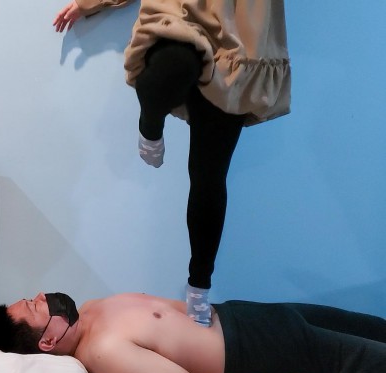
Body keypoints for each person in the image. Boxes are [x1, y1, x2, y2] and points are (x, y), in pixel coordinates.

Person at [53, 0, 291, 326]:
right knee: (167, 68)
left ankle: (198, 288)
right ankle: (150, 127)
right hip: (182, 13)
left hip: (239, 40)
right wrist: (89, 4)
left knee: (208, 176)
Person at [0, 292, 386, 373]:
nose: (42, 296)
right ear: (48, 340)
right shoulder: (106, 354)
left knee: (375, 329)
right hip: (262, 350)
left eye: (32, 297)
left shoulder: (90, 310)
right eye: (34, 307)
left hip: (252, 315)